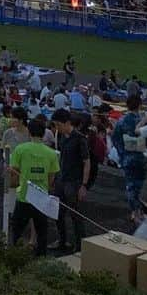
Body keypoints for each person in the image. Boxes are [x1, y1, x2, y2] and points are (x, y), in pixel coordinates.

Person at [8, 118, 59, 254]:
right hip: (41, 198)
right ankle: (40, 260)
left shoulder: (21, 149)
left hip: (24, 196)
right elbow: (51, 177)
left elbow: (14, 173)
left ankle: (12, 257)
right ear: (44, 133)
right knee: (42, 234)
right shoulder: (51, 153)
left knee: (16, 232)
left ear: (29, 132)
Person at [52, 109, 90, 254]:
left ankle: (80, 244)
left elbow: (87, 162)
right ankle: (62, 240)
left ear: (67, 123)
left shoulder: (80, 139)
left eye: (58, 125)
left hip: (74, 181)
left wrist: (84, 185)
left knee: (76, 215)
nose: (57, 128)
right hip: (62, 179)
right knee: (57, 212)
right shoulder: (62, 137)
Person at [112, 94, 147, 226]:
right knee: (140, 186)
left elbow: (115, 139)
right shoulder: (143, 121)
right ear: (139, 105)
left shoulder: (122, 121)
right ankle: (140, 210)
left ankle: (135, 210)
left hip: (128, 158)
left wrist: (122, 154)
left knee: (131, 186)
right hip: (142, 158)